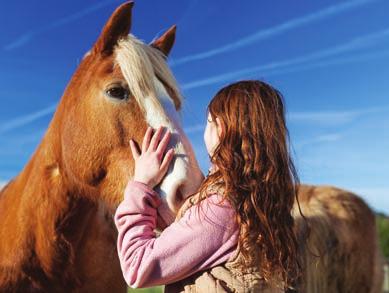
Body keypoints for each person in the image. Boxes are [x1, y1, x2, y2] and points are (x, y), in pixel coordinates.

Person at [114, 80, 302, 292]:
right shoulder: (258, 202)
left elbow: (137, 267)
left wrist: (141, 184)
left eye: (209, 121)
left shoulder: (221, 207)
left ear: (221, 128)